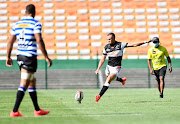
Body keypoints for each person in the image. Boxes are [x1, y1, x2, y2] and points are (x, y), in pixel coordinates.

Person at [6, 4, 52, 117]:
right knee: (24, 83)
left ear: (25, 12)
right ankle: (15, 111)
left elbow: (10, 42)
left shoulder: (17, 24)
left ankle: (37, 110)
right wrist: (46, 56)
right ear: (34, 12)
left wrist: (8, 56)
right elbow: (39, 40)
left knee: (32, 82)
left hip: (19, 56)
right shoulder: (35, 24)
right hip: (29, 57)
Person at [95, 32, 152, 102]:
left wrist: (145, 42)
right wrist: (98, 68)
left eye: (109, 39)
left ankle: (99, 95)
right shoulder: (106, 47)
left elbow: (134, 44)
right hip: (109, 67)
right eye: (107, 39)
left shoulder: (120, 45)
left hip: (116, 67)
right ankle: (122, 80)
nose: (108, 41)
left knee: (109, 78)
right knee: (109, 78)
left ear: (113, 38)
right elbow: (103, 59)